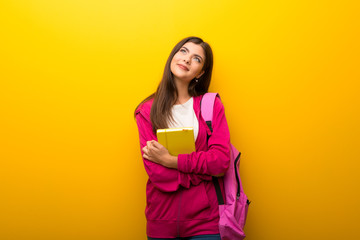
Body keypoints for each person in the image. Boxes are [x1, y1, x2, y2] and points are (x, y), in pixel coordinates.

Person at [134, 36, 231, 240]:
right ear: (173, 57)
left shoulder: (211, 105)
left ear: (201, 72)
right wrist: (204, 173)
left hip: (206, 222)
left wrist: (172, 161)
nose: (187, 59)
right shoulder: (146, 111)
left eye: (197, 58)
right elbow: (158, 174)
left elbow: (221, 162)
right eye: (184, 52)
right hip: (161, 221)